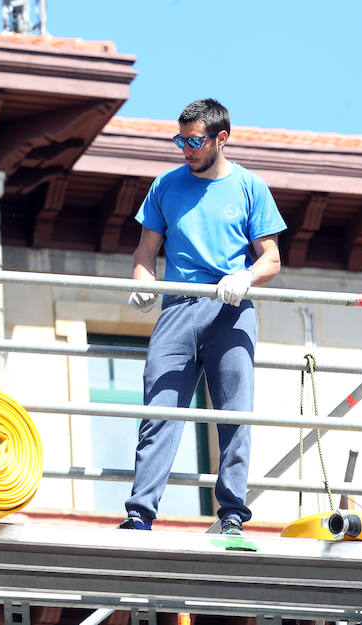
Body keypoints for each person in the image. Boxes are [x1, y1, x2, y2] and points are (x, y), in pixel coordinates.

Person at [121, 98, 286, 535]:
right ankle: (140, 514)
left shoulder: (251, 187)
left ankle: (232, 514)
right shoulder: (165, 186)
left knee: (234, 412)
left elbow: (271, 259)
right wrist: (143, 281)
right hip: (177, 309)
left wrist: (246, 277)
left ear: (221, 138)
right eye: (180, 140)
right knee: (159, 409)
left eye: (194, 141)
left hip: (230, 308)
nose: (186, 149)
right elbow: (145, 252)